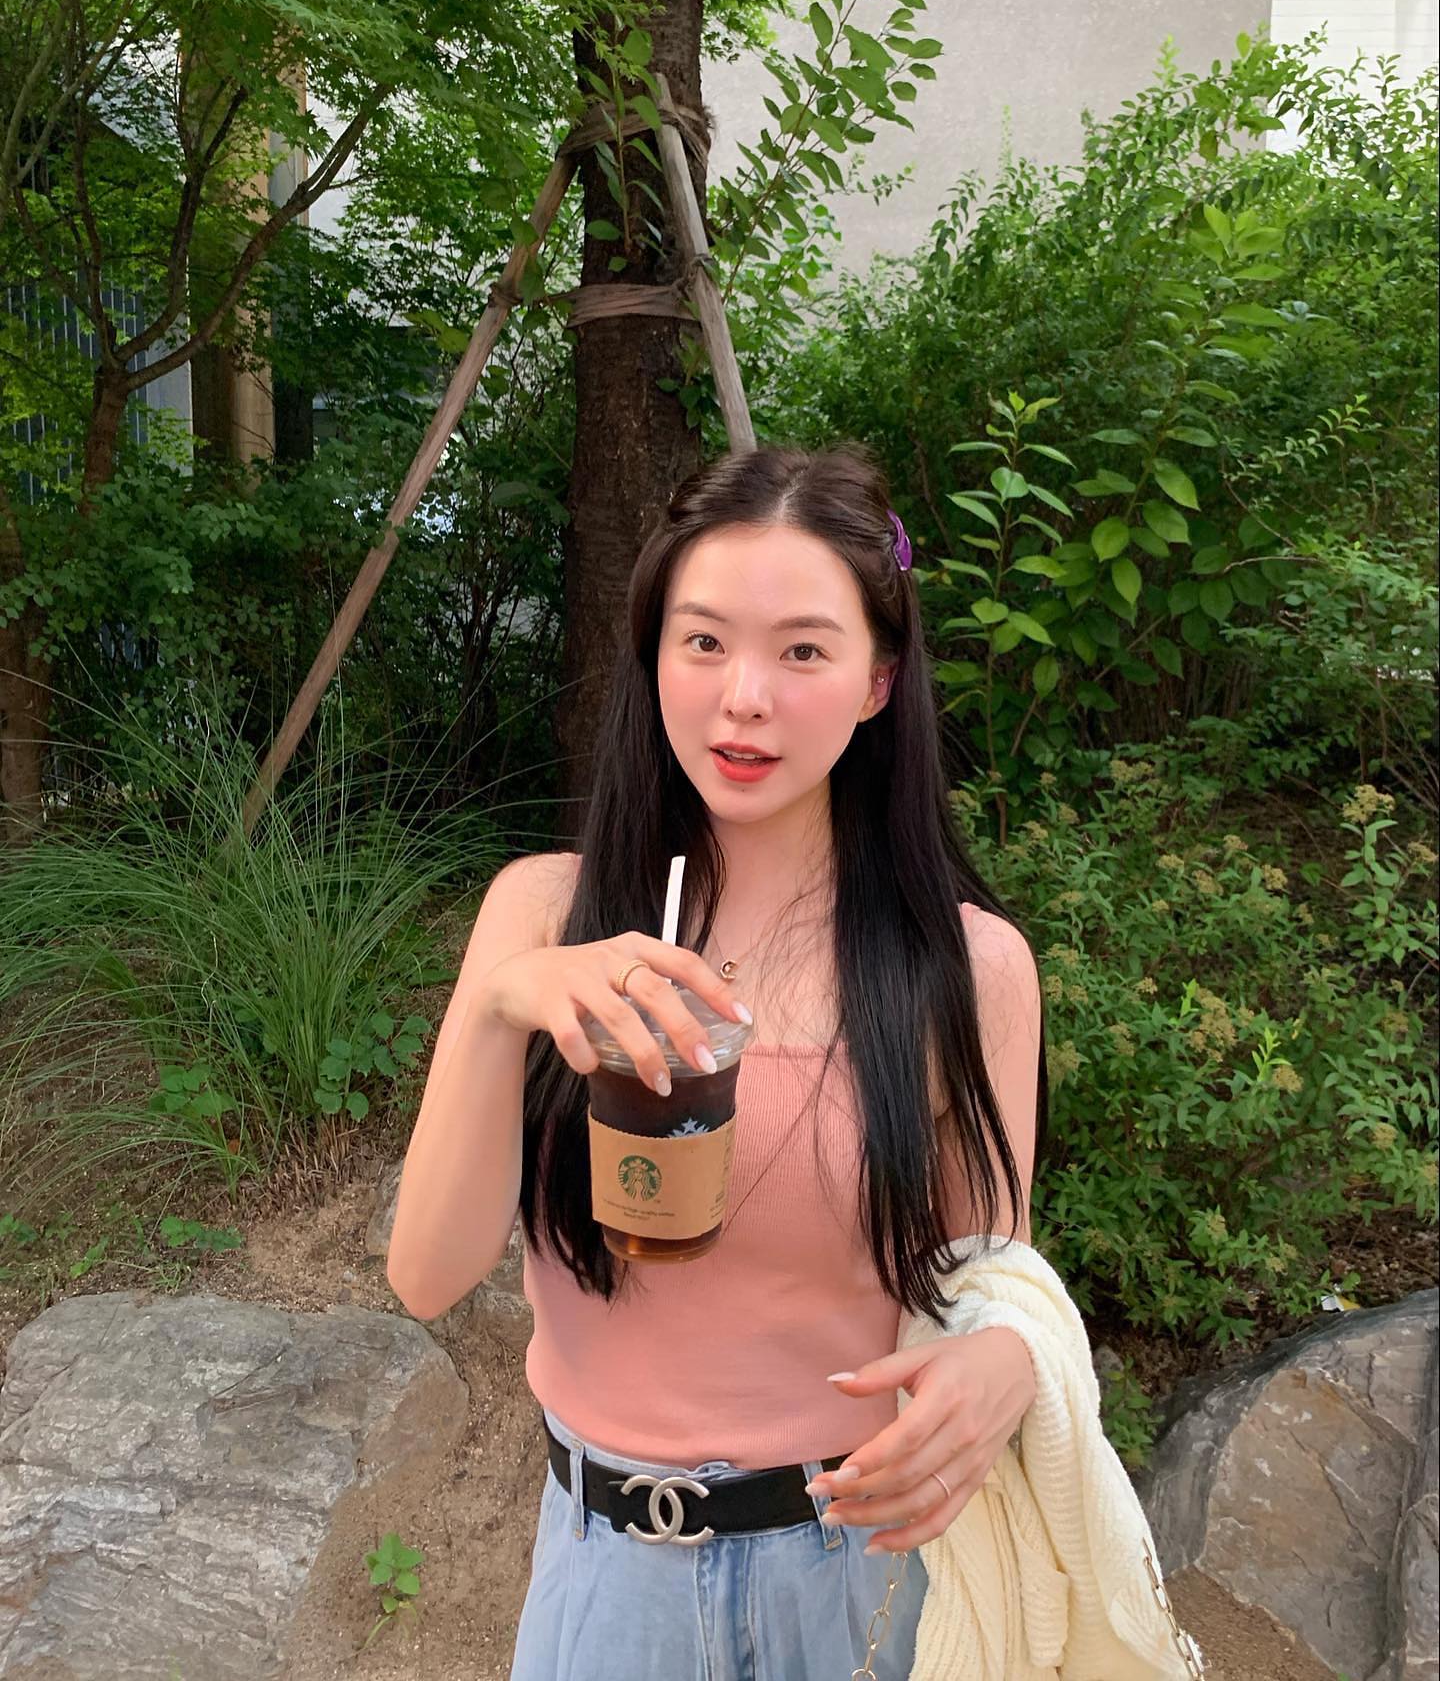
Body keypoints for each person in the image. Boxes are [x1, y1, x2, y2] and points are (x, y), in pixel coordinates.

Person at [386, 442, 1049, 1679]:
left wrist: (1011, 1362)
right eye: (704, 642)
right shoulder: (540, 912)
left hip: (858, 1570)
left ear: (877, 681)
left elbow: (993, 1288)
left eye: (802, 651)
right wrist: (499, 1008)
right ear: (653, 658)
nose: (744, 697)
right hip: (606, 1579)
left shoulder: (969, 970)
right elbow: (426, 1276)